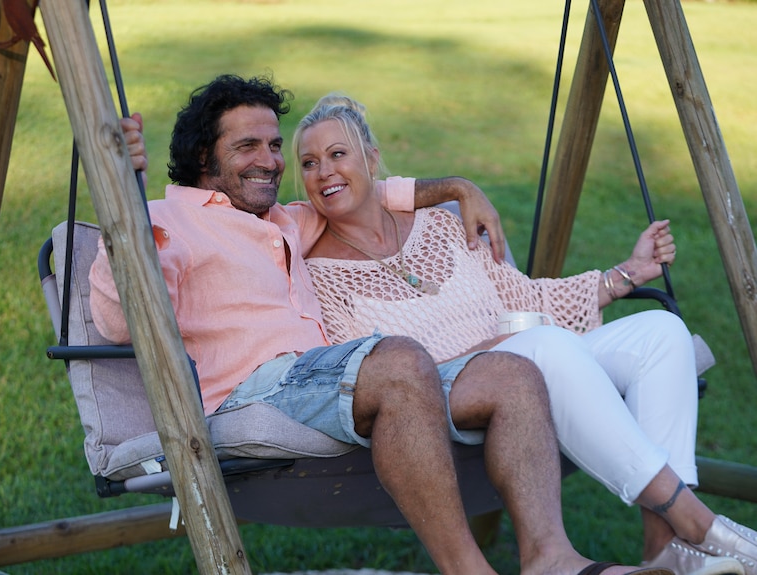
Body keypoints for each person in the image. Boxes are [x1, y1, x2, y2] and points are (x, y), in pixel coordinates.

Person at [91, 74, 671, 575]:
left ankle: (553, 560)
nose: (270, 160)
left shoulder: (287, 220)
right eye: (248, 146)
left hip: (325, 383)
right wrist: (126, 197)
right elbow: (120, 319)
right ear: (204, 159)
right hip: (254, 394)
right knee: (396, 359)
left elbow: (367, 188)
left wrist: (457, 189)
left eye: (274, 145)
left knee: (512, 374)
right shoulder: (166, 220)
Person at [293, 92, 757, 575]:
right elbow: (370, 372)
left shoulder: (444, 225)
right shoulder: (319, 272)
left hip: (535, 353)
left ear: (371, 160)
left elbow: (527, 302)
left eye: (337, 154)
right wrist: (491, 348)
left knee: (661, 333)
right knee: (541, 346)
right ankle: (697, 522)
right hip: (450, 392)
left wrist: (629, 272)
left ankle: (664, 547)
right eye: (308, 162)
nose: (323, 171)